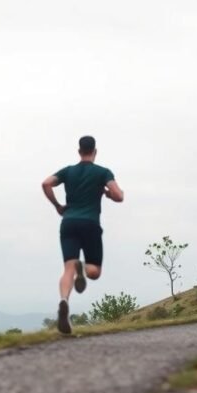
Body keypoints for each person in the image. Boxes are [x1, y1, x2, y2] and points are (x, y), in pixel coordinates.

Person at [41, 135, 124, 334]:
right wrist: (107, 193)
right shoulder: (102, 172)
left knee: (67, 268)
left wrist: (57, 206)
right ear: (95, 151)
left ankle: (64, 300)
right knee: (94, 272)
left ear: (79, 151)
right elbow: (119, 196)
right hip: (90, 224)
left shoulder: (68, 171)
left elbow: (46, 183)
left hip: (68, 223)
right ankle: (83, 270)